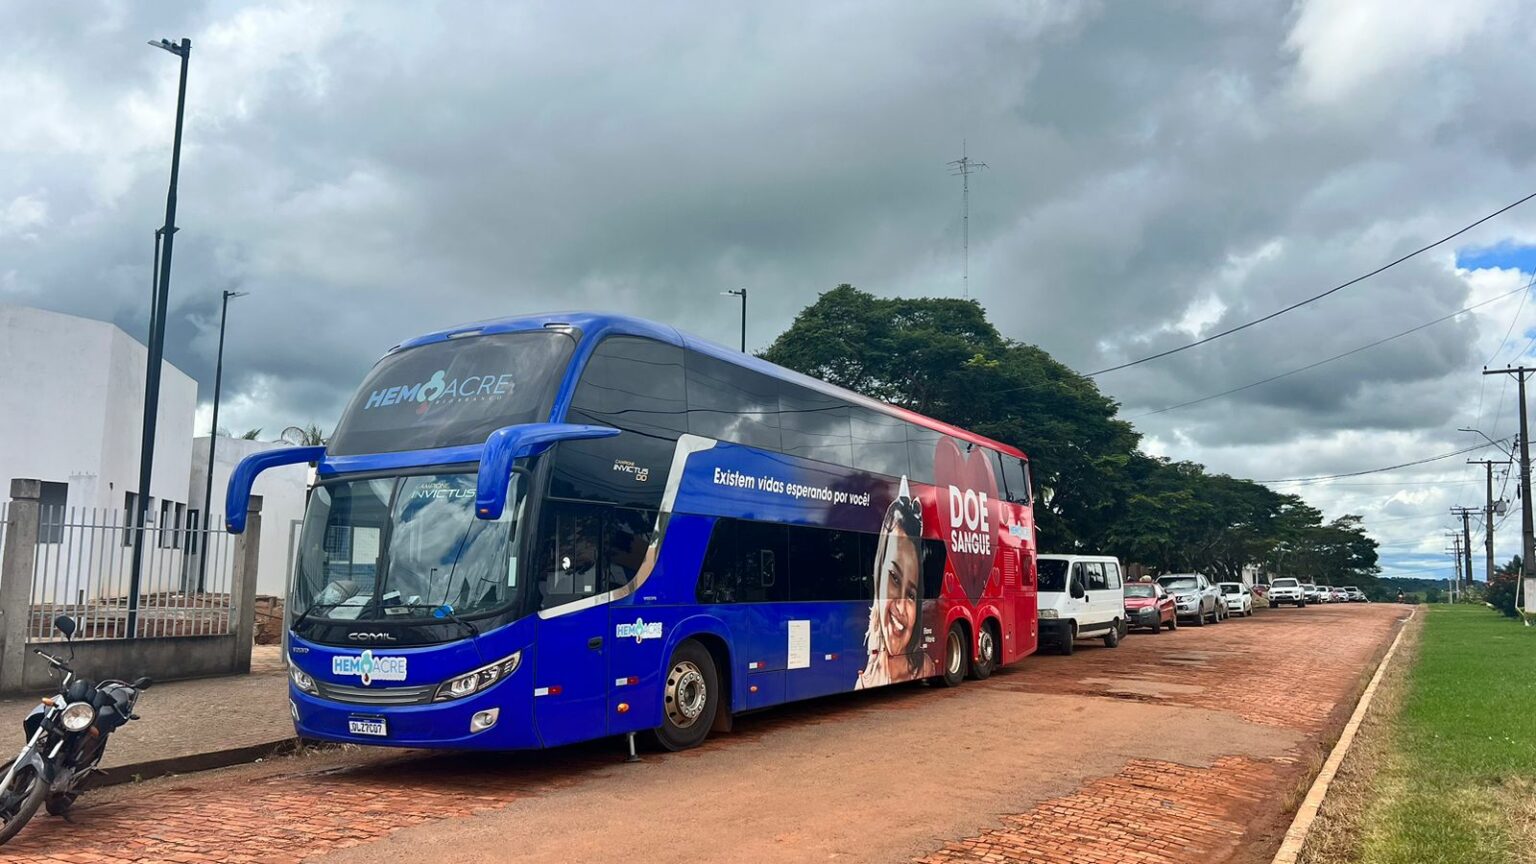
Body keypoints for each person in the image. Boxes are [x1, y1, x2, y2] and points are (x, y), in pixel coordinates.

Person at [856, 478, 938, 689]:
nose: (901, 606)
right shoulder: (864, 682)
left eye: (911, 594)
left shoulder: (926, 667)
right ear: (878, 573)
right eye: (894, 577)